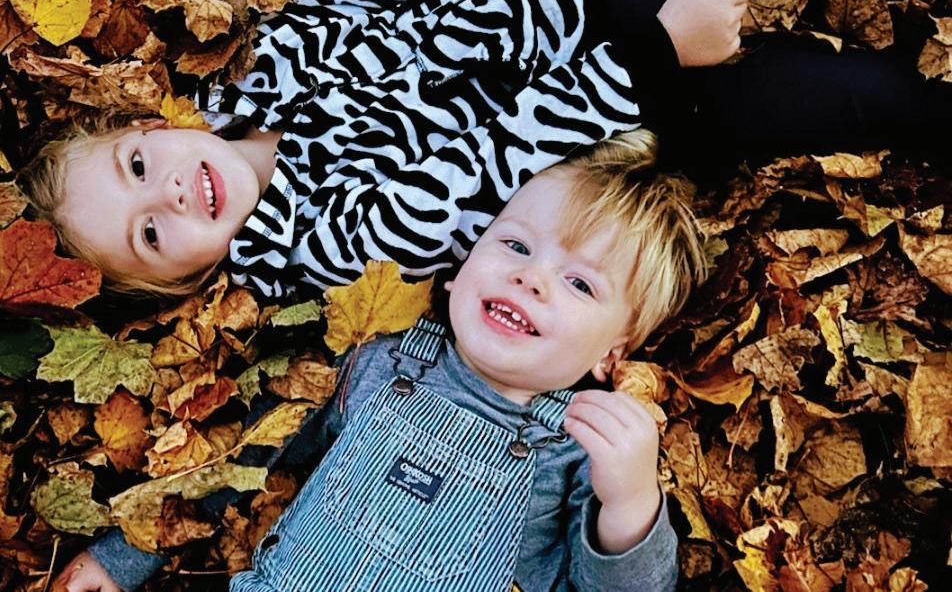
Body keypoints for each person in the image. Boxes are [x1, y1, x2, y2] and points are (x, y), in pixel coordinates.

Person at [56, 129, 708, 592]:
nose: (532, 279)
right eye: (515, 246)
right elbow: (247, 459)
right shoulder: (375, 362)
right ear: (460, 265)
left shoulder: (578, 449)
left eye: (580, 284)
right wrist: (123, 558)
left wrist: (629, 506)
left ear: (612, 354)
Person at [19, 0, 752, 298]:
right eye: (150, 235)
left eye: (138, 168)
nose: (169, 193)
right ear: (187, 279)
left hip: (545, 0)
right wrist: (659, 54)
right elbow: (495, 160)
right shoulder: (328, 251)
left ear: (151, 130)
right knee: (792, 91)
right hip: (622, 101)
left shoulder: (251, 72)